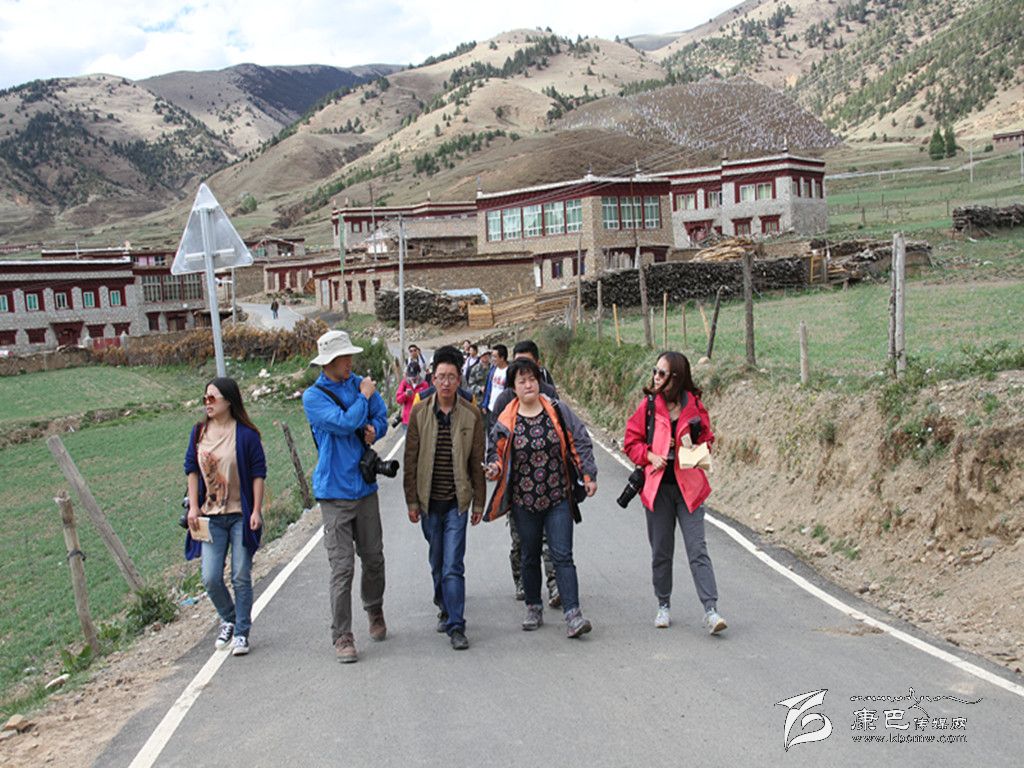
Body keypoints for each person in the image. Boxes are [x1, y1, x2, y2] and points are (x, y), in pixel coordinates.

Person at [484, 358, 598, 638]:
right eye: (522, 381)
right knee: (529, 555)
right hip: (523, 501)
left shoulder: (557, 410)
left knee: (563, 555)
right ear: (513, 387)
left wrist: (588, 473)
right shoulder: (506, 419)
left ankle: (573, 614)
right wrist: (494, 467)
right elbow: (495, 451)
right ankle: (533, 606)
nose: (528, 385)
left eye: (532, 379)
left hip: (558, 496)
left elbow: (579, 439)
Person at [622, 351, 726, 635]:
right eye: (655, 371)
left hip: (689, 489)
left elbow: (707, 441)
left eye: (661, 373)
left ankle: (711, 610)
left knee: (697, 550)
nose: (655, 377)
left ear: (676, 378)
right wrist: (650, 455)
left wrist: (689, 448)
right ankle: (663, 605)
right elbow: (631, 442)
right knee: (661, 551)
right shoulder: (648, 406)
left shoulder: (694, 406)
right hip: (658, 490)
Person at [303, 330, 389, 663]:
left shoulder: (359, 384)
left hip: (364, 488)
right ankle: (342, 635)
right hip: (334, 493)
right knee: (342, 568)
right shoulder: (314, 397)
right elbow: (342, 423)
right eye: (344, 358)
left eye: (350, 356)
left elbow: (381, 416)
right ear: (328, 362)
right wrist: (364, 398)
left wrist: (375, 430)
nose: (350, 362)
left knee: (374, 558)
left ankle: (374, 609)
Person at [404, 346, 487, 650]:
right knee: (437, 561)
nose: (447, 382)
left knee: (453, 564)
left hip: (457, 502)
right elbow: (410, 459)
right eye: (441, 376)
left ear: (459, 378)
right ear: (433, 378)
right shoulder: (419, 412)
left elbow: (477, 461)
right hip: (428, 503)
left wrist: (479, 503)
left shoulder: (471, 414)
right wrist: (412, 502)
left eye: (452, 376)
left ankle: (456, 624)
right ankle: (443, 604)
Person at [184, 377, 266, 657]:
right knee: (210, 577)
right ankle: (229, 618)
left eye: (212, 398)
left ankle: (241, 632)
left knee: (240, 575)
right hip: (211, 517)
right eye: (204, 398)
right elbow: (191, 470)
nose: (207, 403)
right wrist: (193, 507)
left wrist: (256, 510)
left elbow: (258, 474)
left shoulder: (246, 435)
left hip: (240, 514)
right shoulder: (198, 433)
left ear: (228, 401)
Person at [489, 339, 559, 605]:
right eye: (517, 364)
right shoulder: (504, 399)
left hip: (549, 482)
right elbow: (493, 438)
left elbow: (562, 430)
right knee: (522, 540)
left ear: (537, 366)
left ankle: (554, 584)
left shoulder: (549, 394)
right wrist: (495, 466)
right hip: (517, 486)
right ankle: (521, 579)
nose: (524, 375)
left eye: (528, 364)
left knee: (550, 539)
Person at [396, 361, 429, 428]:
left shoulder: (424, 385)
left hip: (420, 421)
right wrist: (405, 394)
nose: (412, 378)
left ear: (418, 373)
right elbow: (398, 399)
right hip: (407, 421)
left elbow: (429, 402)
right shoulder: (404, 383)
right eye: (410, 376)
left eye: (414, 376)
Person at [481, 344, 509, 425]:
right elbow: (488, 388)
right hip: (490, 409)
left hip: (503, 411)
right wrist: (485, 404)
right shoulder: (492, 370)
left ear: (502, 358)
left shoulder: (510, 372)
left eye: (495, 357)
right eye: (492, 356)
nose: (492, 359)